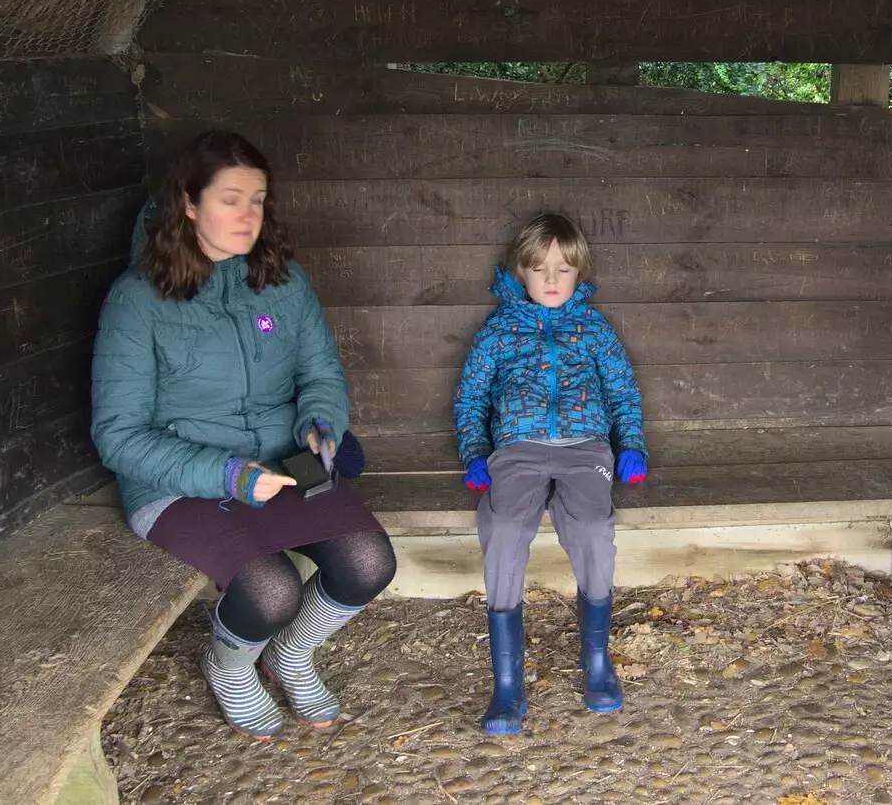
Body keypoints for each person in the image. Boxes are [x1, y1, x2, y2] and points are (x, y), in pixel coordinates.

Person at [90, 130, 395, 739]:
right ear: (188, 204)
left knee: (369, 563)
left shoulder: (282, 281)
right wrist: (228, 475)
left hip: (281, 462)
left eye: (257, 200)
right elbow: (119, 436)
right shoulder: (137, 301)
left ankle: (293, 655)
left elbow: (321, 374)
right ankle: (230, 668)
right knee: (270, 589)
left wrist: (319, 425)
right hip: (176, 482)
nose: (248, 214)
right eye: (230, 198)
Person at [453, 211, 650, 735]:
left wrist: (629, 443)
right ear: (521, 272)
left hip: (585, 448)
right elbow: (471, 396)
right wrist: (475, 452)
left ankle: (598, 665)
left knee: (591, 527)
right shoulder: (498, 330)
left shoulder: (594, 328)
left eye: (563, 269)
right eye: (540, 269)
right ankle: (508, 684)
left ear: (579, 273)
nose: (551, 280)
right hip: (517, 449)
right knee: (504, 527)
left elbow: (623, 390)